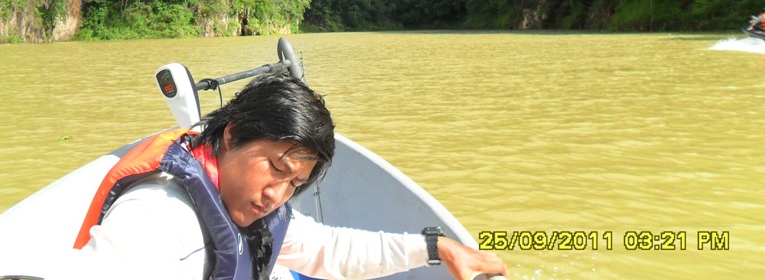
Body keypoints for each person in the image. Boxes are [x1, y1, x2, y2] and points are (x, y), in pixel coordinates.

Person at [52, 72, 509, 280]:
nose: (277, 194)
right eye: (275, 168)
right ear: (230, 137)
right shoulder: (155, 217)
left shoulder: (242, 203)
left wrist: (436, 247)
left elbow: (328, 250)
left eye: (294, 184)